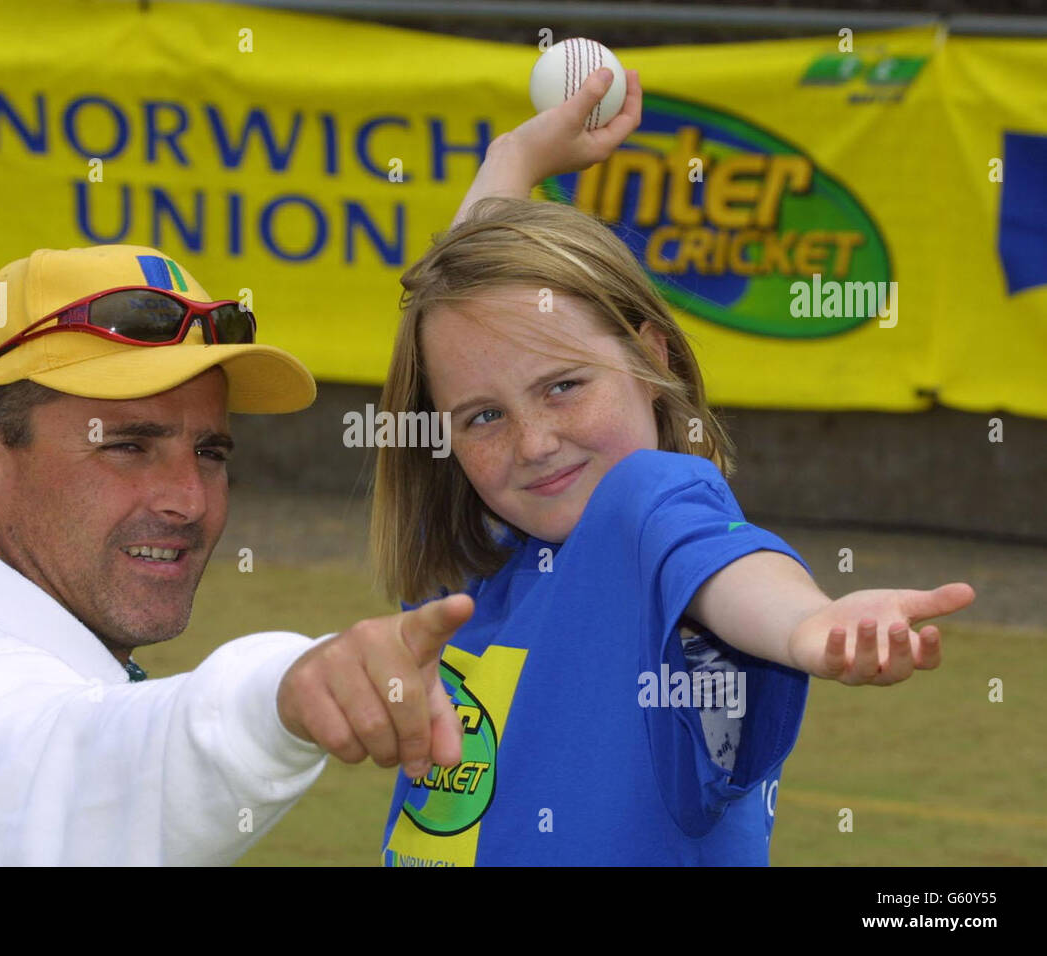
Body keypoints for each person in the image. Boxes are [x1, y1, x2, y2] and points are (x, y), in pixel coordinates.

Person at [373, 68, 976, 865]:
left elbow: (720, 567)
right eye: (484, 415)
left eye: (564, 387)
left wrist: (804, 625)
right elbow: (459, 318)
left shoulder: (646, 501)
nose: (533, 442)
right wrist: (514, 156)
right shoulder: (477, 543)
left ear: (650, 358)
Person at [0, 244, 472, 865]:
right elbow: (94, 757)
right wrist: (286, 692)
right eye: (127, 445)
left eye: (211, 451)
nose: (188, 499)